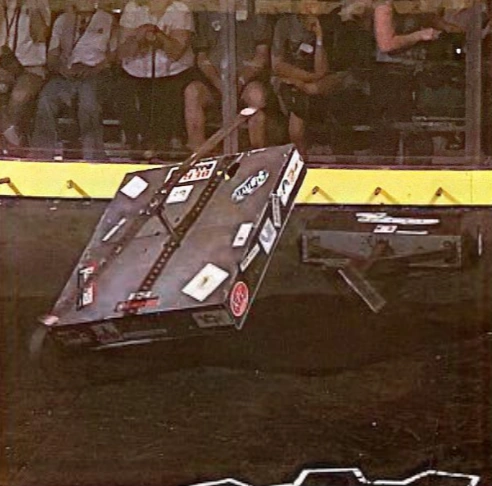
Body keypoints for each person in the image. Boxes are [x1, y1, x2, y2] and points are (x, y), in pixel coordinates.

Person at [30, 0, 117, 160]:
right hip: (66, 73)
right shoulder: (63, 20)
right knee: (46, 97)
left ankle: (93, 155)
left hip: (96, 73)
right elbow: (52, 54)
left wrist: (94, 69)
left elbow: (114, 54)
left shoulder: (108, 19)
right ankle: (41, 154)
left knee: (88, 99)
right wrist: (61, 68)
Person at [184, 0, 275, 152]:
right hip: (214, 83)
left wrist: (240, 80)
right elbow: (201, 58)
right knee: (193, 92)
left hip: (246, 83)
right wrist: (218, 82)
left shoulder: (256, 13)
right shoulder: (207, 12)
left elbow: (261, 56)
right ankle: (198, 150)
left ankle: (256, 152)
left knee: (257, 96)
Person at [271, 0, 351, 156]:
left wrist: (319, 37)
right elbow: (278, 65)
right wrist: (305, 79)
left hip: (318, 82)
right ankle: (300, 155)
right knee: (298, 100)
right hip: (290, 79)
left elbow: (322, 71)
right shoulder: (284, 24)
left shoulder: (330, 24)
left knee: (325, 89)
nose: (309, 7)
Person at [117, 0, 196, 155]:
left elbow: (176, 52)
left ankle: (167, 148)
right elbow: (122, 52)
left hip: (173, 74)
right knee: (125, 93)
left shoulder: (180, 9)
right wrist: (139, 37)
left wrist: (158, 35)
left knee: (167, 102)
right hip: (135, 73)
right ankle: (136, 146)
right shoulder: (132, 7)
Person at [0, 0, 50, 148]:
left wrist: (32, 8)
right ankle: (12, 138)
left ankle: (12, 144)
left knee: (19, 96)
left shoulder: (39, 3)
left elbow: (39, 36)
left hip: (31, 66)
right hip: (3, 65)